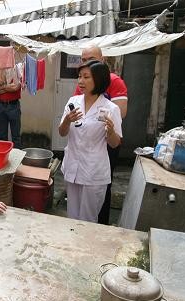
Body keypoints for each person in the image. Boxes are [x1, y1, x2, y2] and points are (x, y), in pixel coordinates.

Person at [59, 60, 122, 223]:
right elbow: (62, 132)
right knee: (72, 217)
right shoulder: (73, 102)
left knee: (88, 220)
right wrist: (66, 120)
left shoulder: (111, 108)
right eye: (79, 76)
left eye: (86, 77)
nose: (81, 81)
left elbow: (115, 143)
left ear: (99, 80)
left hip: (94, 172)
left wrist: (111, 132)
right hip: (73, 167)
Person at [73, 44, 128, 225]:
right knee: (79, 188)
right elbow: (75, 110)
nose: (86, 63)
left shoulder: (114, 81)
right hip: (83, 143)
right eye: (83, 60)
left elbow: (119, 112)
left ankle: (100, 225)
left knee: (100, 187)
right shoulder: (82, 83)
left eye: (91, 59)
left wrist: (102, 125)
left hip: (105, 140)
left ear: (102, 60)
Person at [0, 66, 22, 148]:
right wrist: (7, 87)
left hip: (14, 106)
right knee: (2, 136)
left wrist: (1, 88)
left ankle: (17, 158)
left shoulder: (18, 71)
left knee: (16, 136)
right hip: (1, 106)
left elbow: (16, 88)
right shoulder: (0, 72)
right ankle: (3, 157)